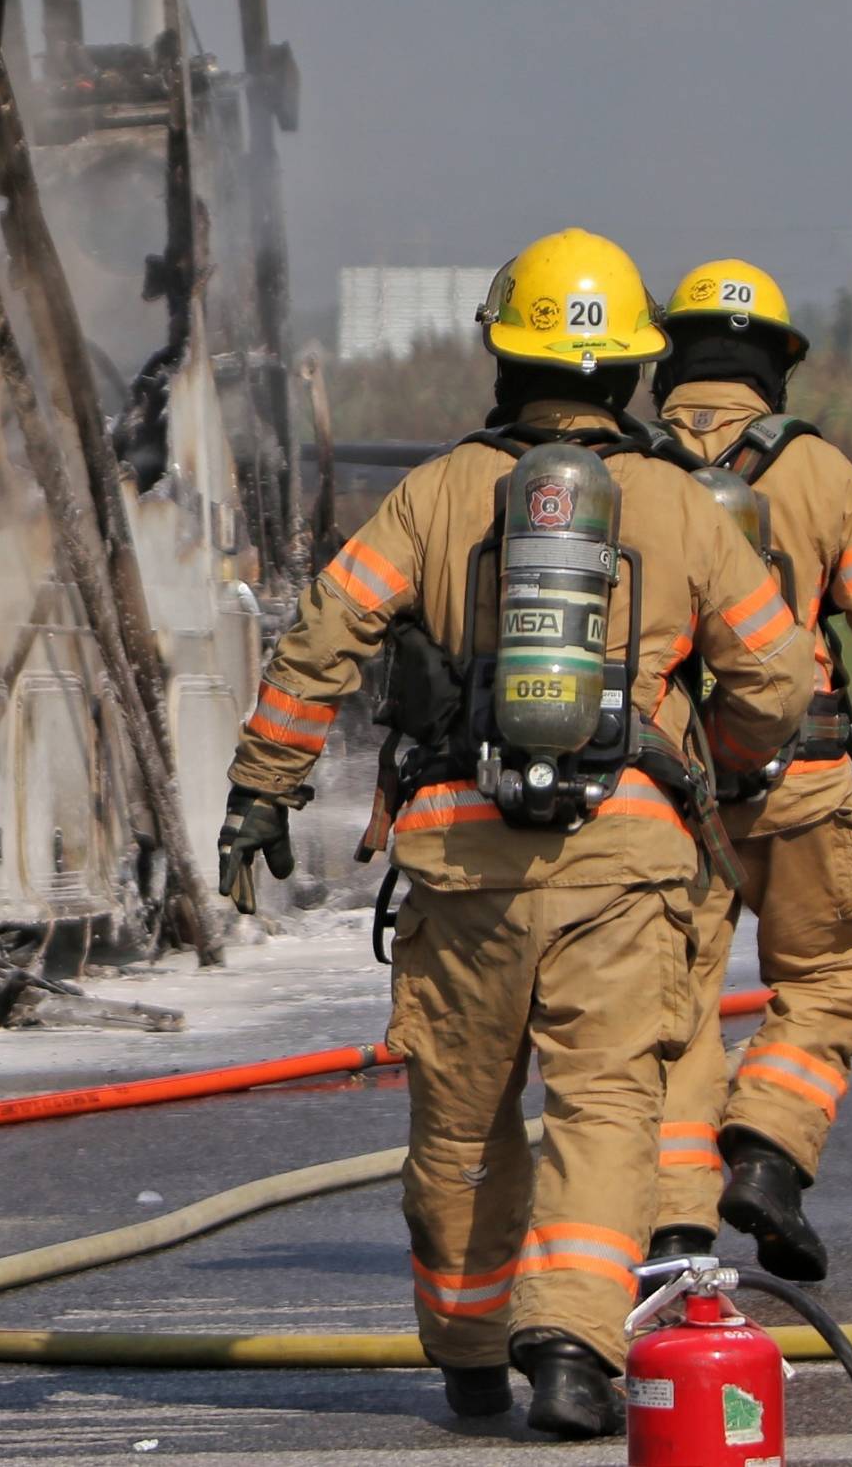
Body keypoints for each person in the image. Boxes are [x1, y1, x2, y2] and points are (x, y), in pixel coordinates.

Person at [218, 229, 813, 1439]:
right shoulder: (679, 507)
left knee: (458, 1123)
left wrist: (262, 786)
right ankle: (573, 1351)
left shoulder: (437, 494)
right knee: (606, 1109)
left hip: (461, 865)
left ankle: (469, 1357)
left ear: (503, 353)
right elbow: (775, 673)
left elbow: (322, 634)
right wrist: (732, 771)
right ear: (630, 370)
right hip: (628, 866)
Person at [645, 259, 852, 1280]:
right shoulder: (816, 471)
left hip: (659, 796)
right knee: (828, 972)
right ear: (777, 362)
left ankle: (675, 1232)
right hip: (800, 783)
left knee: (674, 1014)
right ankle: (770, 1151)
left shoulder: (626, 468)